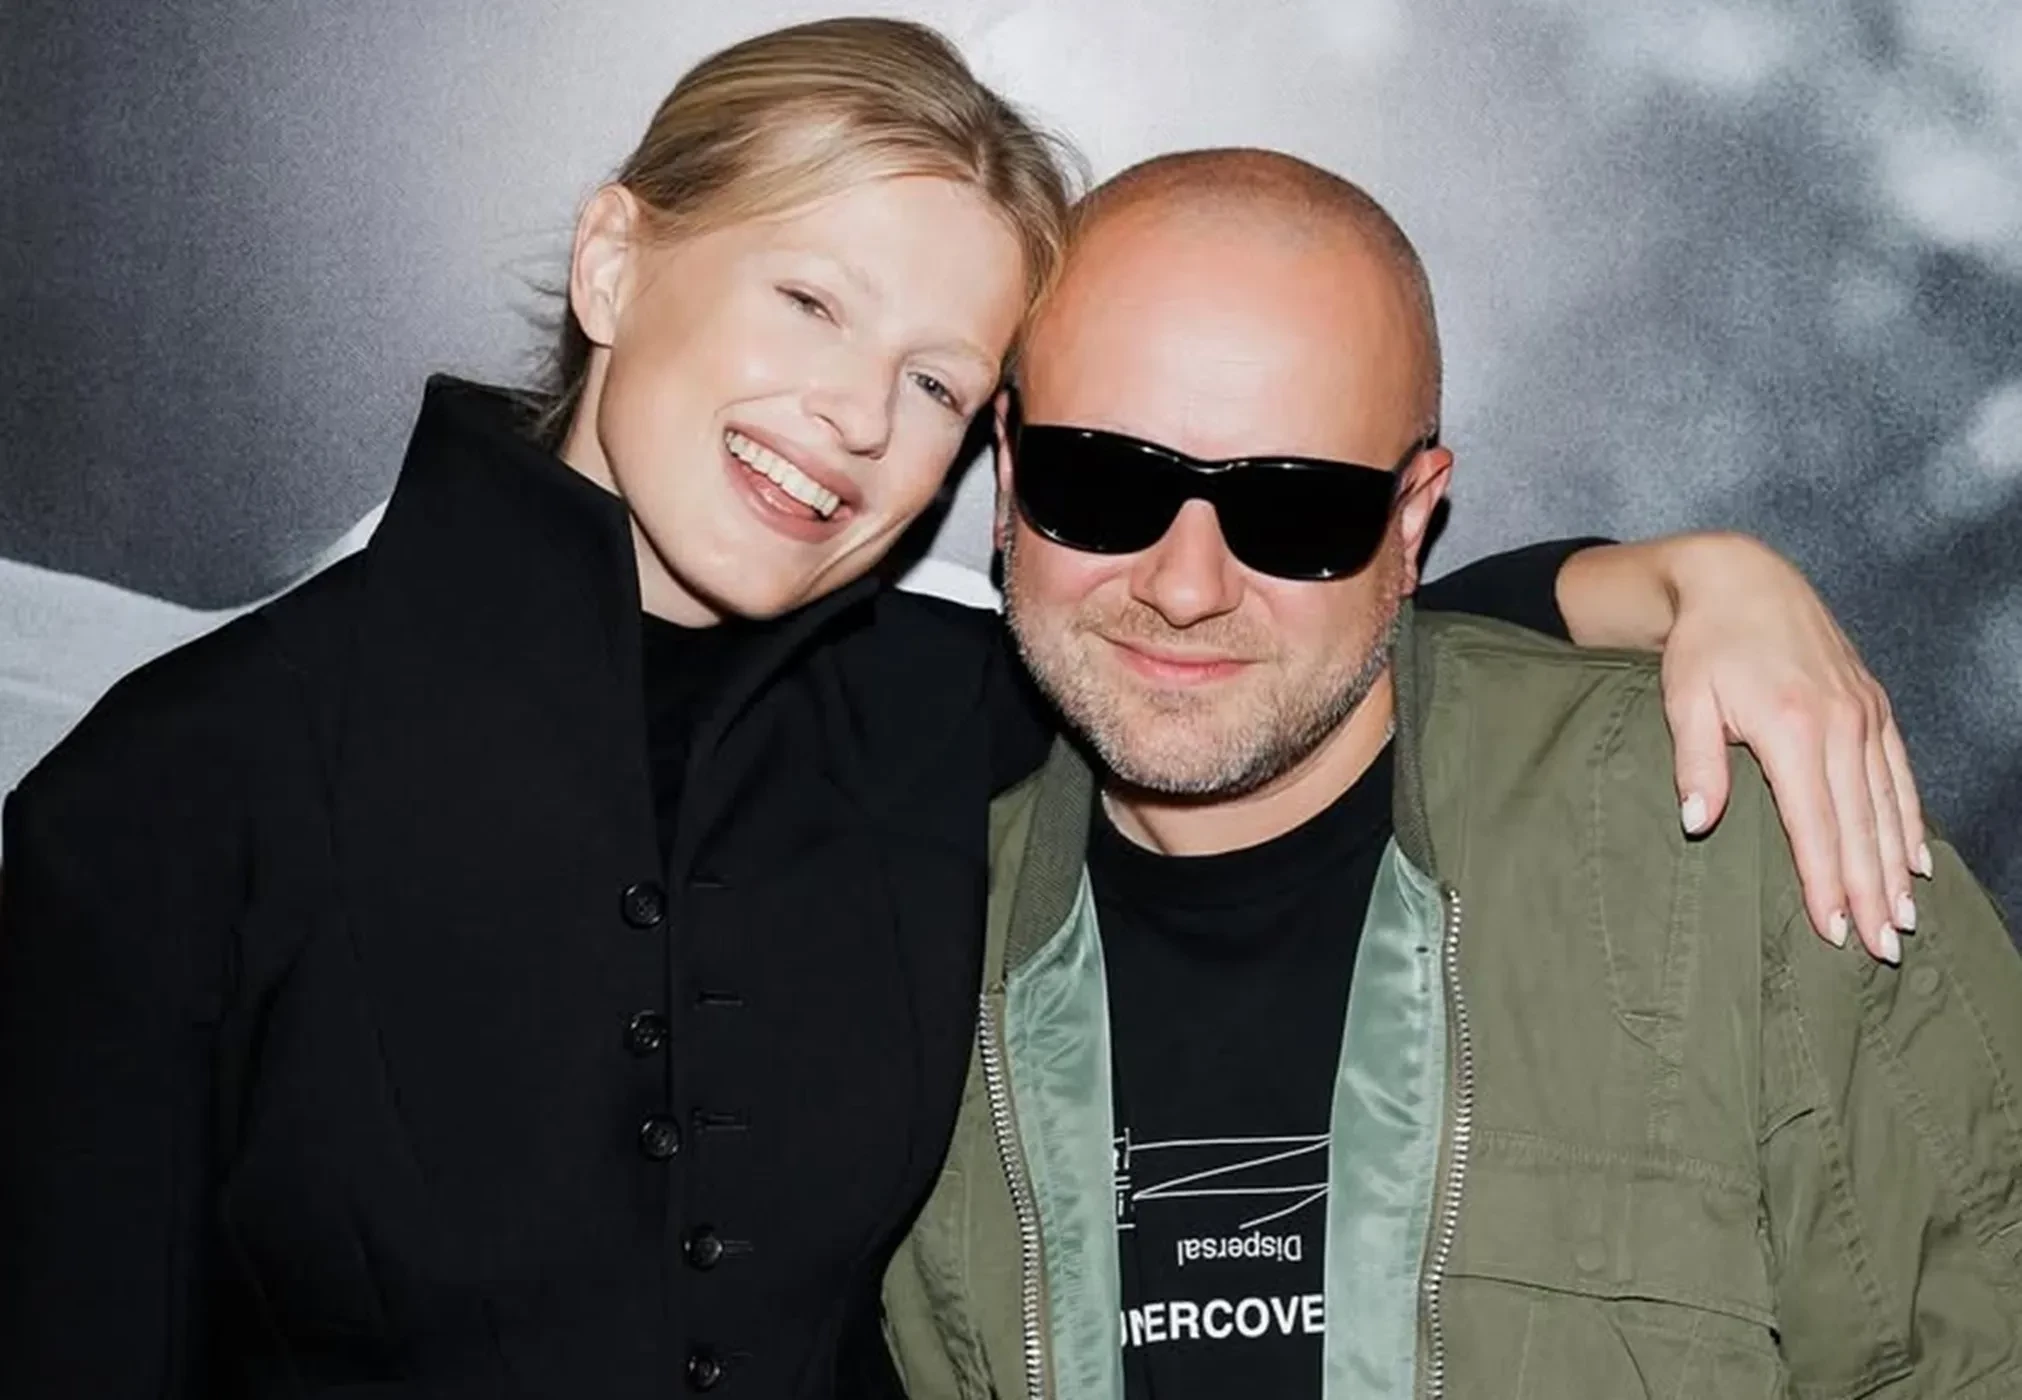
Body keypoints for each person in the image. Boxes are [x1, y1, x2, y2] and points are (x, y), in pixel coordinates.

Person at [0, 21, 1942, 1400]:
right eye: (810, 302)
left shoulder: (946, 714)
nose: (856, 416)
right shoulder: (170, 803)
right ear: (613, 258)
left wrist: (1687, 581)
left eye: (938, 381)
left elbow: (1281, 636)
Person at [879, 148, 2022, 1399]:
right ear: (1009, 470)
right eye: (1104, 484)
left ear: (1412, 519)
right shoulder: (898, 963)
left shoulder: (1742, 841)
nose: (1186, 585)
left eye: (1295, 513)